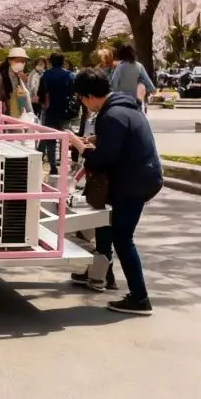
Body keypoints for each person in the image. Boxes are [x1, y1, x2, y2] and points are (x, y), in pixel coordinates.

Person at [68, 68, 163, 316]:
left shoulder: (109, 116)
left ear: (89, 96)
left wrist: (79, 145)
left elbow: (103, 160)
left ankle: (140, 298)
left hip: (132, 183)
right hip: (144, 178)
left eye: (81, 98)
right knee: (109, 226)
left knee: (123, 239)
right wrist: (95, 141)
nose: (83, 104)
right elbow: (120, 142)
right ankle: (104, 275)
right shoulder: (126, 106)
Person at [37, 53, 74, 175]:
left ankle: (53, 166)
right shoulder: (69, 75)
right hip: (65, 110)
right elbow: (73, 92)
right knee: (65, 137)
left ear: (51, 62)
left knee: (51, 139)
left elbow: (40, 93)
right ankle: (63, 162)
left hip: (50, 110)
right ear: (63, 62)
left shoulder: (45, 75)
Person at [0, 48, 33, 117]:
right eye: (18, 61)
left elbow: (23, 101)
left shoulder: (19, 79)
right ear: (10, 61)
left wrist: (28, 114)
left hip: (15, 117)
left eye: (23, 62)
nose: (21, 64)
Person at [111, 43, 155, 111]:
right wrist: (152, 90)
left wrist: (115, 94)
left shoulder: (120, 67)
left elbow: (114, 83)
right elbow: (147, 81)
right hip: (136, 100)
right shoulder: (139, 66)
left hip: (122, 100)